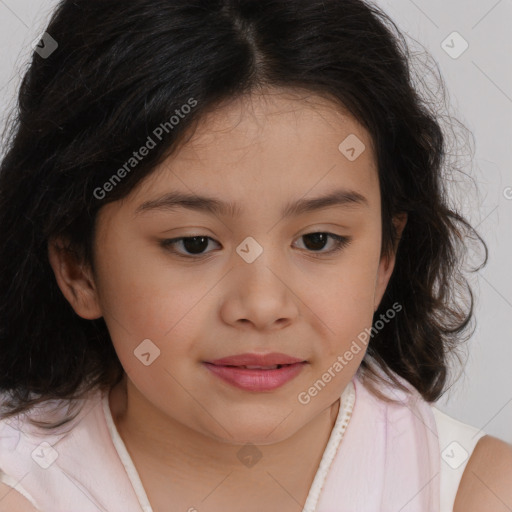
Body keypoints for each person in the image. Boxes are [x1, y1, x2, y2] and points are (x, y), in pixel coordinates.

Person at [0, 1, 511, 511]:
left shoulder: (480, 493)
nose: (263, 305)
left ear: (385, 257)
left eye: (318, 240)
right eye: (194, 243)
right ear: (77, 269)